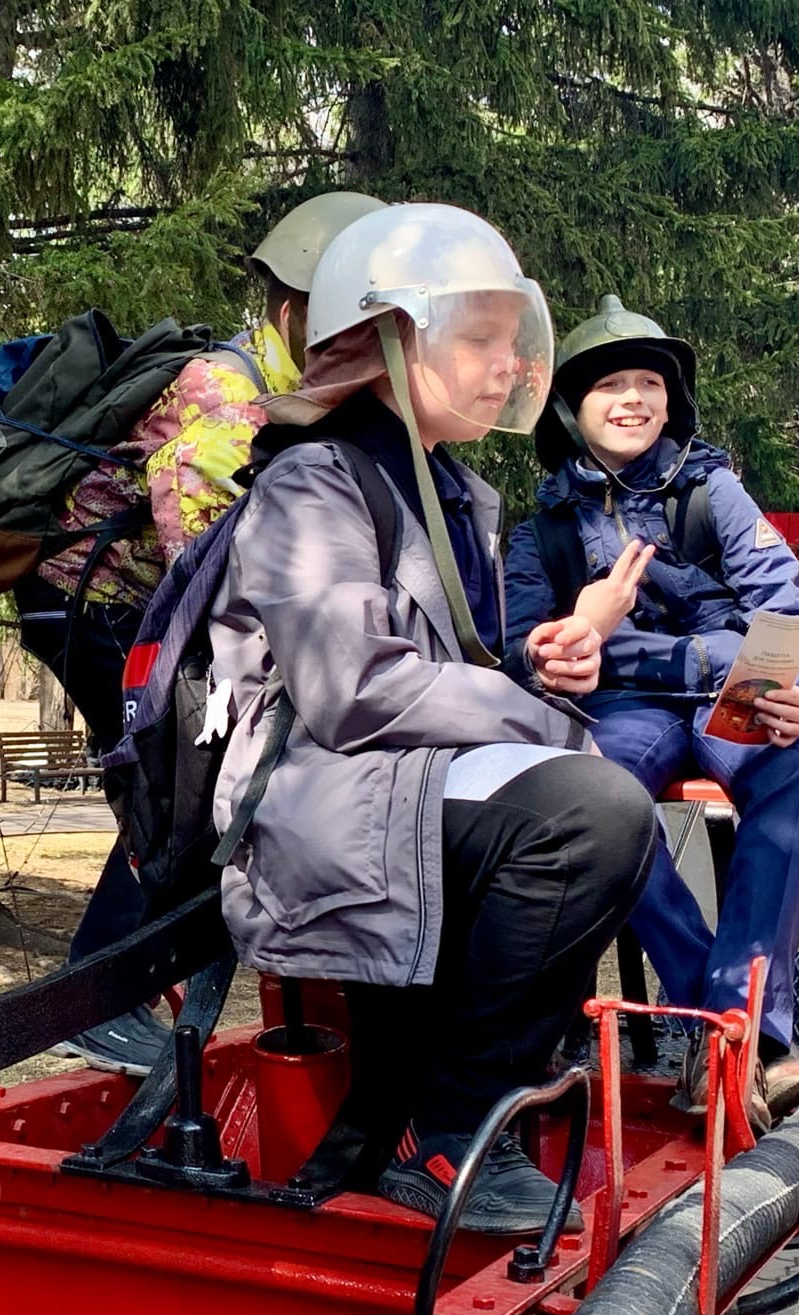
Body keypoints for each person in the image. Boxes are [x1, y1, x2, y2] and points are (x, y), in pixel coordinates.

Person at [207, 205, 657, 1234]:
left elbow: (435, 678)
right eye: (478, 339)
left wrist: (537, 664)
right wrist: (529, 708)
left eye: (512, 341)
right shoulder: (316, 478)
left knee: (596, 804)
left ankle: (401, 1126)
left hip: (383, 795)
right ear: (390, 337)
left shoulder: (445, 490)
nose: (508, 368)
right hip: (309, 810)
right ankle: (452, 1134)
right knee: (591, 814)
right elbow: (355, 687)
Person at [15, 191, 387, 1074]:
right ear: (294, 312)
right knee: (187, 785)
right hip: (96, 610)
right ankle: (99, 995)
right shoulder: (224, 392)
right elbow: (211, 559)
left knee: (197, 787)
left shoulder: (281, 389)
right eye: (343, 327)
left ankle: (159, 981)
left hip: (136, 608)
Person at [502, 295, 799, 1130]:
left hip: (737, 688)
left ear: (670, 399)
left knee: (798, 772)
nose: (631, 399)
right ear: (573, 410)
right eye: (609, 384)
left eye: (647, 383)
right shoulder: (541, 529)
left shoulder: (713, 491)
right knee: (590, 800)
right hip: (625, 707)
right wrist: (572, 640)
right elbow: (518, 651)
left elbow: (792, 614)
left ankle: (750, 1027)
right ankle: (713, 1015)